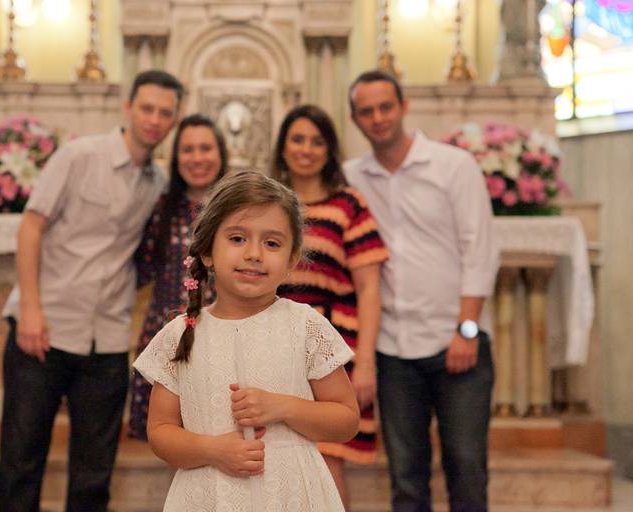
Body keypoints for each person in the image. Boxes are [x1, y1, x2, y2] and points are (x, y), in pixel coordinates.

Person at [0, 69, 183, 512]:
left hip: (108, 338)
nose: (155, 119)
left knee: (95, 475)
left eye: (165, 113)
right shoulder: (79, 156)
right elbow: (31, 226)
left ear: (174, 119)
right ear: (128, 107)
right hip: (46, 327)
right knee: (20, 464)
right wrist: (31, 310)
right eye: (147, 108)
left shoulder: (156, 184)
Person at [133, 171, 360, 511]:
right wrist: (212, 450)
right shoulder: (180, 335)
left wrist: (282, 407)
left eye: (272, 243)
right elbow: (161, 431)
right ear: (207, 251)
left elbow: (345, 419)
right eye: (237, 239)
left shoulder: (305, 326)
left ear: (291, 260)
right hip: (209, 495)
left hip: (291, 495)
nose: (254, 253)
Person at [344, 70, 499, 512]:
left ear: (403, 106)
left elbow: (480, 250)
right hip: (393, 349)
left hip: (456, 342)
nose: (377, 118)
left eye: (385, 107)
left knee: (466, 468)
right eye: (366, 111)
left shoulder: (453, 165)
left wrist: (466, 329)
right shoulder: (351, 177)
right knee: (406, 477)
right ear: (355, 119)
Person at [271, 104, 388, 509]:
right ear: (283, 147)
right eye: (297, 139)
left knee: (327, 461)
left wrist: (367, 362)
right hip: (271, 342)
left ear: (330, 149)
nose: (306, 149)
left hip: (331, 347)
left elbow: (370, 287)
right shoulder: (269, 203)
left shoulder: (349, 205)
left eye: (317, 141)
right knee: (271, 455)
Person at [129, 113, 228, 440]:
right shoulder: (161, 208)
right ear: (176, 158)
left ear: (220, 153)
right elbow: (141, 268)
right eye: (188, 150)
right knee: (171, 438)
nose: (197, 158)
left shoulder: (238, 208)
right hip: (170, 338)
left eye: (205, 148)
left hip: (225, 339)